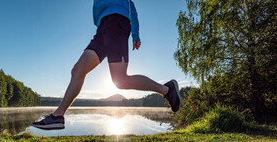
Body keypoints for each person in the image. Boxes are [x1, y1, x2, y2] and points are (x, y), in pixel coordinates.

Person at [32, 0, 181, 130]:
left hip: (117, 22)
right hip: (103, 27)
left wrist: (135, 33)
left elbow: (130, 4)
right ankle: (58, 116)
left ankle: (167, 89)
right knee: (78, 70)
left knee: (120, 80)